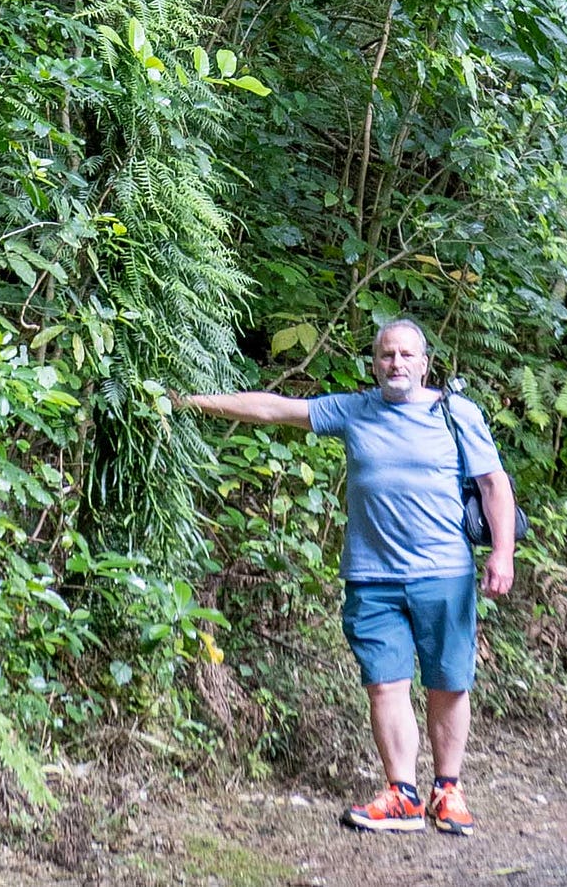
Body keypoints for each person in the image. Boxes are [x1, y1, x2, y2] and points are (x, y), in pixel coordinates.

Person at [178, 315, 516, 835]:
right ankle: (402, 796)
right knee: (385, 684)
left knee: (448, 683)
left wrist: (502, 555)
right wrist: (191, 402)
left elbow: (493, 486)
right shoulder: (355, 409)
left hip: (444, 572)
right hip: (371, 576)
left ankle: (447, 790)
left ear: (425, 364)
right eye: (386, 354)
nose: (395, 363)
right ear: (374, 363)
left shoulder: (457, 414)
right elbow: (274, 410)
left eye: (406, 355)